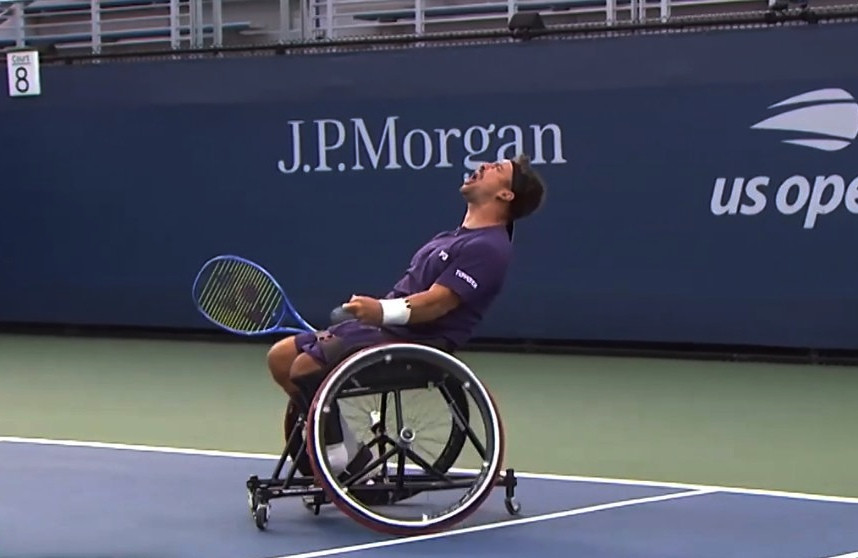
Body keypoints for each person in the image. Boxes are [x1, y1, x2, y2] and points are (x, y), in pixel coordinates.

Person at [267, 153, 546, 474]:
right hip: (387, 333)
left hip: (420, 343)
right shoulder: (450, 238)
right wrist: (371, 315)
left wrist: (381, 310)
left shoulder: (490, 247)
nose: (482, 166)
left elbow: (438, 303)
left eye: (496, 169)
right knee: (280, 358)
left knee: (304, 368)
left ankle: (342, 458)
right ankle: (345, 445)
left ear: (505, 194)